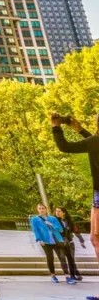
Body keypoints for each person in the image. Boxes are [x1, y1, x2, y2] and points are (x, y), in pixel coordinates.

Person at [51, 112, 99, 267]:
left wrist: (56, 126)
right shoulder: (94, 142)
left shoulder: (95, 142)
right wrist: (81, 131)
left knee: (96, 240)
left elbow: (64, 147)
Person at [31, 204, 74, 284]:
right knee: (50, 258)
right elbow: (36, 230)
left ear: (46, 209)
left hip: (56, 241)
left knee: (62, 258)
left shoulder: (53, 218)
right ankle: (53, 276)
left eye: (43, 208)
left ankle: (67, 277)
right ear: (37, 210)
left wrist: (51, 224)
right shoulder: (34, 219)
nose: (41, 210)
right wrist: (39, 240)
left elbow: (60, 229)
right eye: (39, 209)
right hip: (45, 242)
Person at [54, 207, 84, 283]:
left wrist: (81, 240)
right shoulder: (54, 221)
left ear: (64, 212)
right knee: (63, 259)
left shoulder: (69, 221)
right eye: (56, 211)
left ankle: (73, 275)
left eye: (59, 211)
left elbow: (75, 230)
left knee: (71, 259)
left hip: (70, 243)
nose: (57, 213)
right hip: (60, 243)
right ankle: (69, 276)